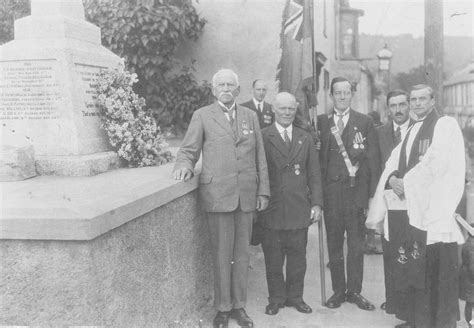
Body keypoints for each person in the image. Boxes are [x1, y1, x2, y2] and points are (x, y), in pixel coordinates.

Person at [173, 69, 270, 328]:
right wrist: (184, 165)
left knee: (242, 254)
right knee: (221, 254)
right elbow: (188, 150)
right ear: (214, 91)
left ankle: (240, 307)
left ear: (238, 91)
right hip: (217, 195)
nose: (226, 89)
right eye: (221, 85)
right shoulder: (202, 116)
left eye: (231, 85)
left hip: (247, 196)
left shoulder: (251, 116)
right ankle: (223, 309)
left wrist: (263, 191)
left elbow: (260, 156)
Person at [366, 84, 465, 328]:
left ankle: (438, 323)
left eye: (423, 99)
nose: (418, 103)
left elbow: (435, 162)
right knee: (415, 267)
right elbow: (392, 161)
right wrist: (391, 179)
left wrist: (405, 182)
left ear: (433, 101)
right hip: (413, 210)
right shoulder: (412, 129)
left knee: (436, 270)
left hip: (434, 212)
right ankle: (418, 319)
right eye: (414, 99)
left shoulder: (444, 125)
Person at [317, 76, 380, 311]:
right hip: (331, 194)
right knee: (334, 244)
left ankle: (355, 291)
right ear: (331, 95)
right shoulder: (321, 122)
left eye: (346, 92)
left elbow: (372, 161)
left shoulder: (364, 122)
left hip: (355, 195)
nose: (342, 97)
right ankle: (337, 291)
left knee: (355, 246)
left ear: (351, 94)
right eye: (337, 93)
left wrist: (370, 197)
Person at [259, 92, 323, 316]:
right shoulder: (263, 136)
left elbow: (314, 174)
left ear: (296, 110)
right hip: (273, 208)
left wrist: (316, 204)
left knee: (298, 258)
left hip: (298, 208)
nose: (287, 113)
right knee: (274, 258)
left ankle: (296, 297)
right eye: (282, 109)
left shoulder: (304, 137)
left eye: (291, 109)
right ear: (273, 110)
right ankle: (276, 298)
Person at [376, 90, 411, 313]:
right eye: (393, 106)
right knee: (390, 251)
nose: (398, 110)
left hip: (412, 201)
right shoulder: (380, 133)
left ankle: (409, 303)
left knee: (410, 251)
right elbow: (375, 165)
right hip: (388, 201)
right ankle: (393, 300)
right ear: (388, 108)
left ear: (408, 106)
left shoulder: (418, 131)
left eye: (401, 105)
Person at [460, 228, 474, 328]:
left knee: (470, 302)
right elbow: (472, 265)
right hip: (471, 277)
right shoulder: (472, 245)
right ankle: (470, 324)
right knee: (470, 302)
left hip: (467, 276)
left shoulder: (468, 242)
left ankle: (470, 324)